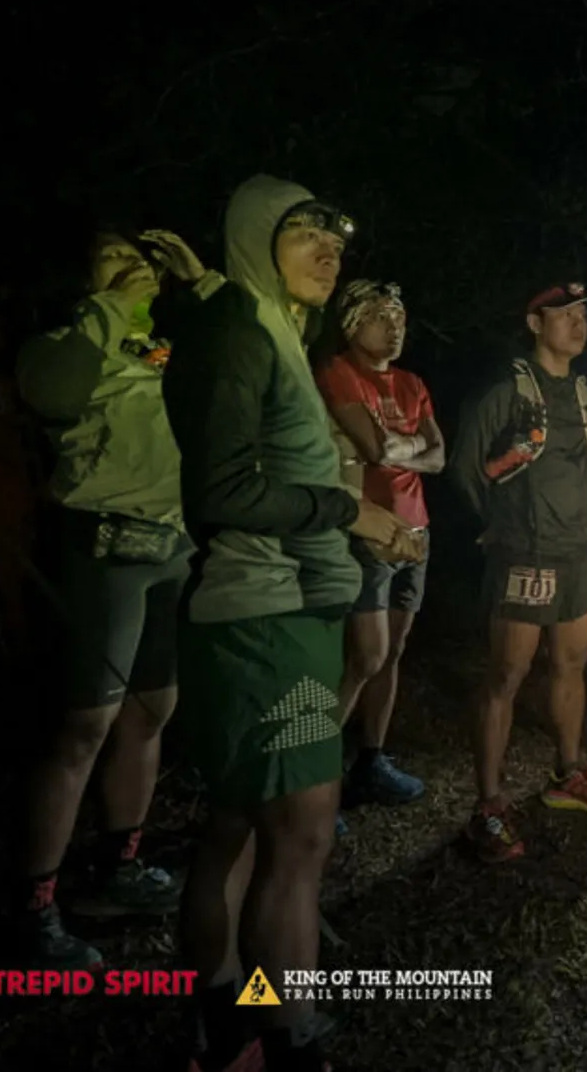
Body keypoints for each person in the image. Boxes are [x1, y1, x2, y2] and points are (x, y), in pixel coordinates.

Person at [161, 176, 419, 1072]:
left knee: (241, 824)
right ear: (253, 236)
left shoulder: (263, 323)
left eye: (336, 240)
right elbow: (221, 488)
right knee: (301, 830)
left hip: (285, 615)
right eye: (303, 232)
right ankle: (285, 1030)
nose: (327, 250)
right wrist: (344, 510)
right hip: (259, 617)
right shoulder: (237, 331)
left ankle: (231, 1018)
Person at [12, 225, 218, 969]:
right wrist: (105, 308)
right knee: (83, 727)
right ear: (85, 279)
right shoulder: (70, 339)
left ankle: (121, 865)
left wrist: (197, 289)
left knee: (150, 710)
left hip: (172, 545)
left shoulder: (165, 345)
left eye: (141, 259)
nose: (134, 267)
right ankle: (35, 907)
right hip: (104, 545)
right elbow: (47, 391)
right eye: (113, 257)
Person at [452, 283, 587, 865]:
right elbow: (464, 467)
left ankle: (566, 773)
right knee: (506, 674)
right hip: (526, 552)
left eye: (585, 315)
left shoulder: (583, 391)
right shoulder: (507, 388)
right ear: (535, 322)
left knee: (572, 664)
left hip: (580, 551)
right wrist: (495, 525)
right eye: (566, 314)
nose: (579, 324)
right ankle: (489, 806)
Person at [318, 280, 441, 815]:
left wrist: (401, 448)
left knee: (392, 651)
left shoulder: (413, 382)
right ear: (351, 322)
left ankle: (371, 761)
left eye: (399, 317)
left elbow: (439, 457)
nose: (393, 328)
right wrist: (409, 446)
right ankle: (314, 779)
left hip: (417, 529)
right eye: (379, 317)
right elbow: (371, 447)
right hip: (366, 530)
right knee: (363, 655)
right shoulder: (337, 372)